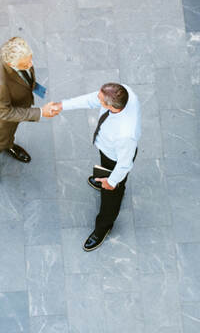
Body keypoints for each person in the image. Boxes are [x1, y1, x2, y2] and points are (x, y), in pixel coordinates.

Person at [52, 83, 141, 251]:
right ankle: (103, 180)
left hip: (116, 159)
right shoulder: (122, 92)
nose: (96, 99)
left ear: (111, 106)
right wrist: (62, 105)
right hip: (108, 149)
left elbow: (124, 164)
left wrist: (112, 181)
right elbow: (90, 100)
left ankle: (103, 227)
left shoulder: (125, 135)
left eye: (100, 100)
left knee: (111, 195)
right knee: (104, 172)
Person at [0, 37, 59, 185]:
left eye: (31, 60)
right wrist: (40, 112)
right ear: (10, 64)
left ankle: (9, 145)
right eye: (25, 64)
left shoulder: (12, 46)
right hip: (5, 115)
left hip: (18, 102)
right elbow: (6, 113)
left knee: (10, 134)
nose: (31, 65)